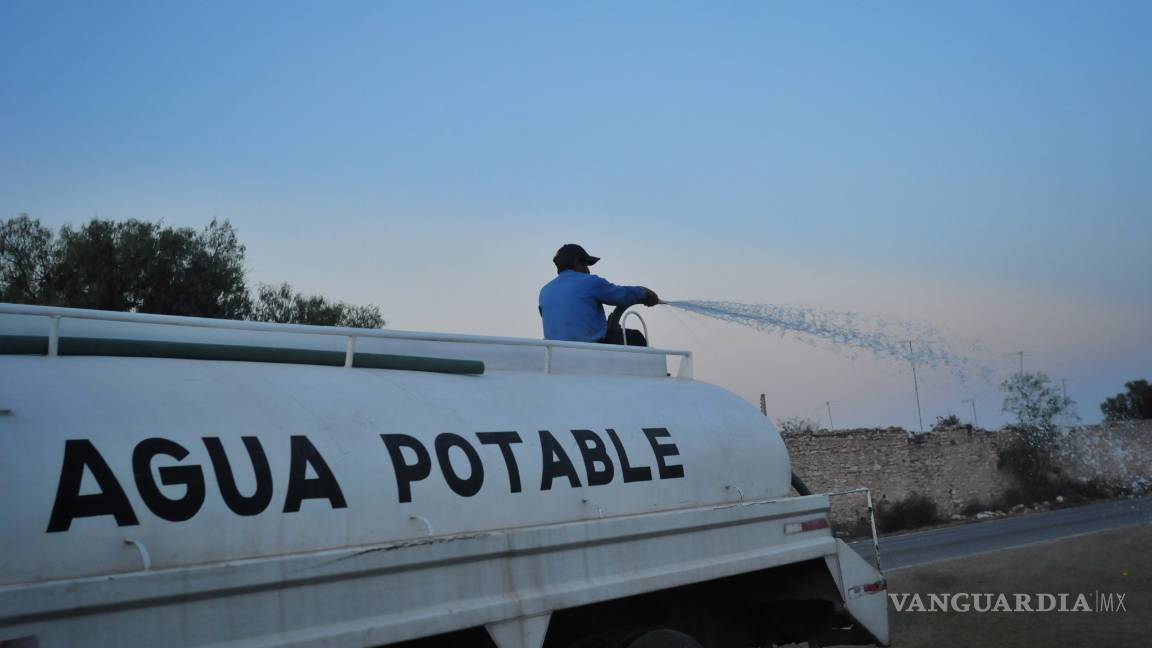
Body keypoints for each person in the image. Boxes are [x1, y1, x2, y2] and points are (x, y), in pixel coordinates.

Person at [539, 244, 659, 344]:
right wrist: (644, 292)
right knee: (635, 337)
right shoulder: (589, 282)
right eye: (586, 264)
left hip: (555, 351)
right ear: (576, 263)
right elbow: (621, 295)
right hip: (589, 348)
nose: (588, 270)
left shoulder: (545, 291)